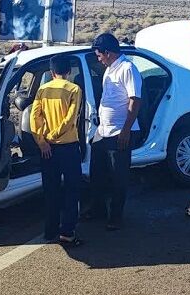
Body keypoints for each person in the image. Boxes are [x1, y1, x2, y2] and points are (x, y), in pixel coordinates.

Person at [88, 33, 142, 230]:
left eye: (99, 55)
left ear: (108, 53)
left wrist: (126, 130)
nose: (98, 59)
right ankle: (98, 210)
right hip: (103, 130)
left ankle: (116, 216)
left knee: (118, 176)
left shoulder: (128, 69)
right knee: (98, 173)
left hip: (120, 131)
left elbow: (135, 100)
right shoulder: (109, 69)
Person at [30, 55, 83, 245]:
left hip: (47, 149)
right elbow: (71, 118)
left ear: (51, 73)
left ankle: (50, 230)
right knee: (72, 189)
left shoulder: (42, 90)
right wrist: (55, 135)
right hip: (68, 146)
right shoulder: (74, 89)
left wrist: (41, 140)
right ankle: (67, 232)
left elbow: (34, 117)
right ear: (68, 72)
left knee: (50, 189)